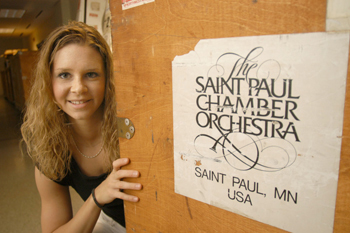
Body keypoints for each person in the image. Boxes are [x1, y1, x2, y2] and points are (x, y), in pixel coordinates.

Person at [20, 21, 142, 233]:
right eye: (64, 75)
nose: (78, 88)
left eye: (91, 74)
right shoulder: (50, 147)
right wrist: (97, 197)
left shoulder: (133, 124)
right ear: (49, 81)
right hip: (113, 223)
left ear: (108, 79)